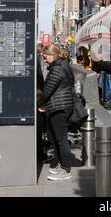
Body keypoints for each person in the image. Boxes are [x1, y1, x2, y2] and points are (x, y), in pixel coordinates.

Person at [37, 44, 75, 181]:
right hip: (59, 106)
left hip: (60, 107)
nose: (45, 59)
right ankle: (60, 164)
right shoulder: (61, 65)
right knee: (54, 137)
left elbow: (48, 90)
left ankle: (66, 169)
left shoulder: (58, 68)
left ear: (52, 55)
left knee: (61, 139)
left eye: (45, 56)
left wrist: (39, 103)